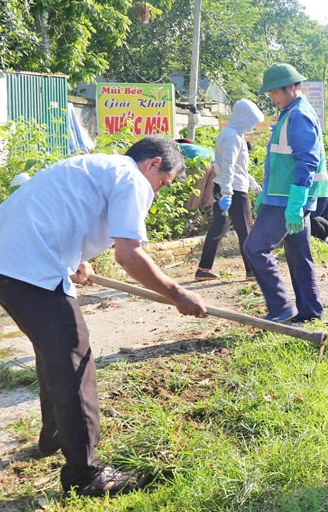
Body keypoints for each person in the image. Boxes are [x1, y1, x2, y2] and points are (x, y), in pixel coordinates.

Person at [0, 135, 207, 497]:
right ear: (154, 163)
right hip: (29, 265)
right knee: (75, 360)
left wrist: (76, 259)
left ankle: (52, 439)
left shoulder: (98, 166)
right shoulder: (132, 178)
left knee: (55, 354)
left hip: (12, 259)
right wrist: (177, 293)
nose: (157, 192)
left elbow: (63, 211)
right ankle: (86, 474)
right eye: (163, 183)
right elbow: (128, 255)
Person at [245, 63, 328, 323]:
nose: (272, 96)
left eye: (275, 92)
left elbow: (307, 161)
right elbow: (283, 160)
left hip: (287, 199)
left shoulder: (298, 115)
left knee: (255, 248)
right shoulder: (290, 112)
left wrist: (295, 202)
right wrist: (266, 192)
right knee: (298, 254)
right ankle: (309, 310)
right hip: (286, 196)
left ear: (291, 87)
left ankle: (281, 307)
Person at [195, 99, 265, 281]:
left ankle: (204, 268)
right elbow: (228, 166)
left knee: (219, 227)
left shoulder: (234, 135)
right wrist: (227, 192)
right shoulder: (231, 137)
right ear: (243, 118)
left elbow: (239, 168)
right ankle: (252, 271)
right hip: (232, 190)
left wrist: (253, 184)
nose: (252, 125)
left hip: (229, 186)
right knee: (246, 229)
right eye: (251, 121)